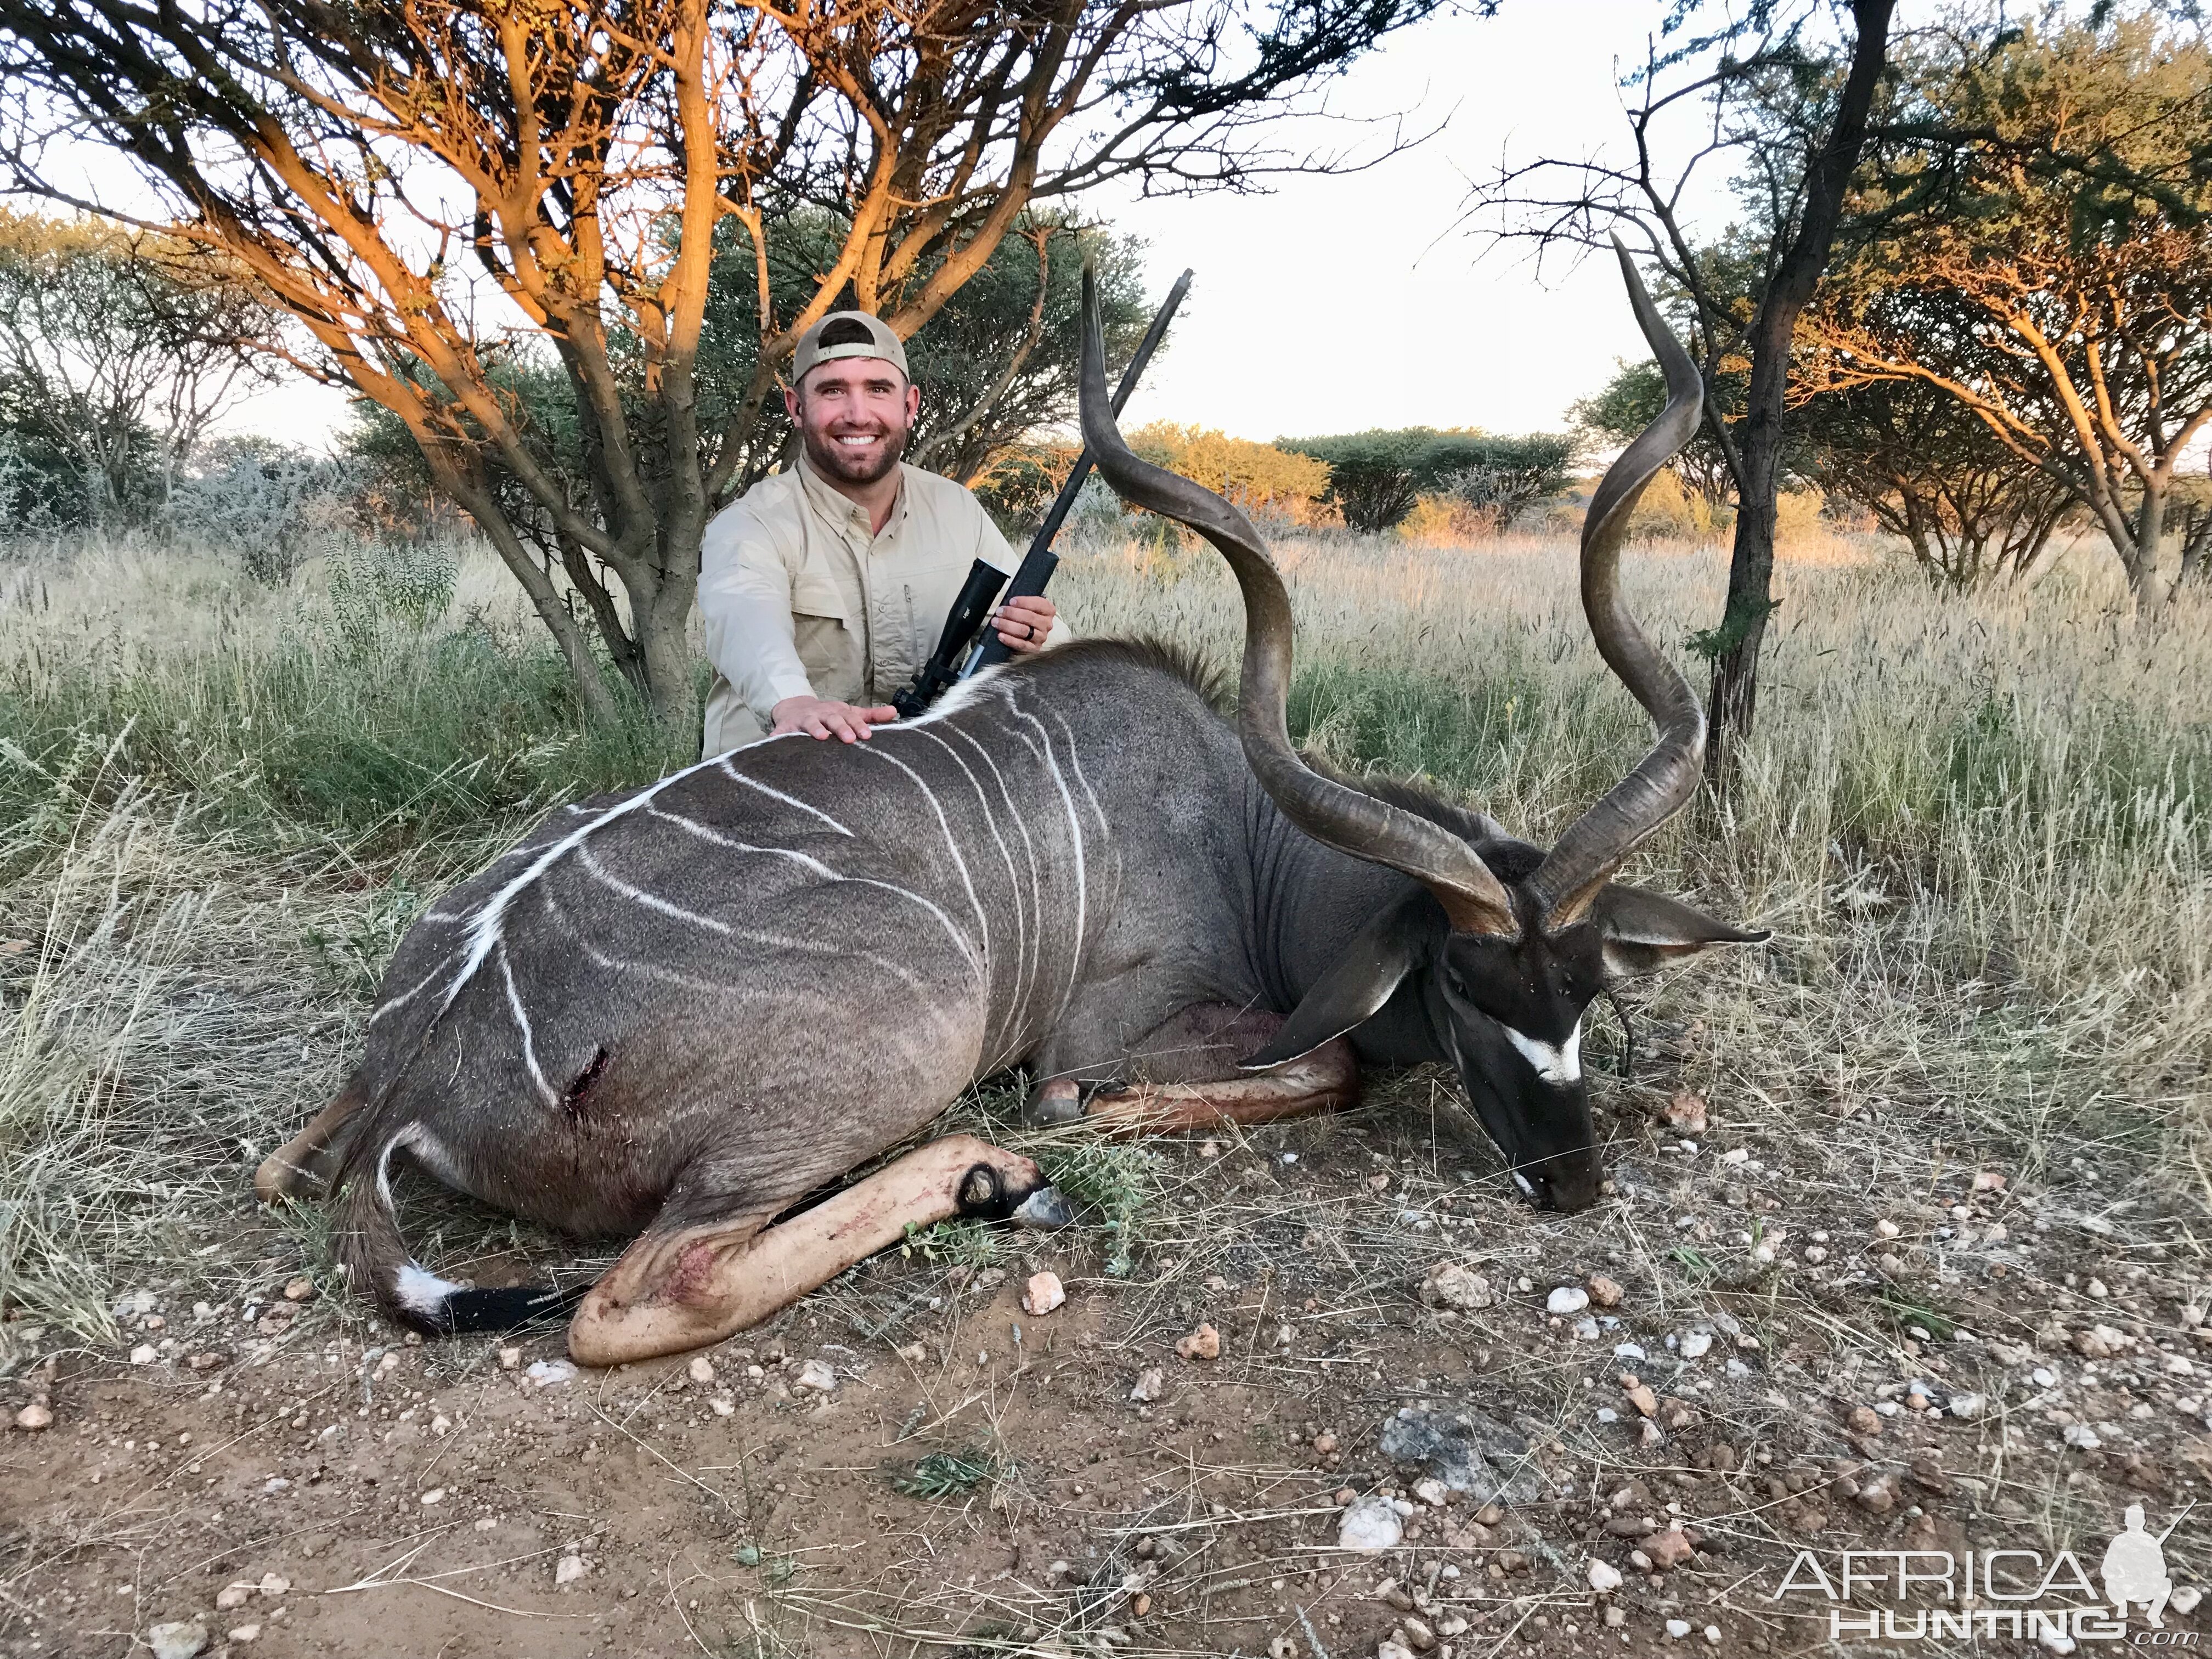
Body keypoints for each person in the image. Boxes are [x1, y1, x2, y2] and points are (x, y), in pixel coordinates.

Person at [697, 309, 1066, 754]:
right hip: (778, 772)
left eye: (877, 390)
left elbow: (1047, 634)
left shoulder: (956, 509)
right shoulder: (750, 523)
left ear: (909, 406)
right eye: (833, 391)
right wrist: (791, 702)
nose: (858, 414)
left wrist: (1035, 636)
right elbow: (746, 619)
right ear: (797, 408)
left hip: (913, 776)